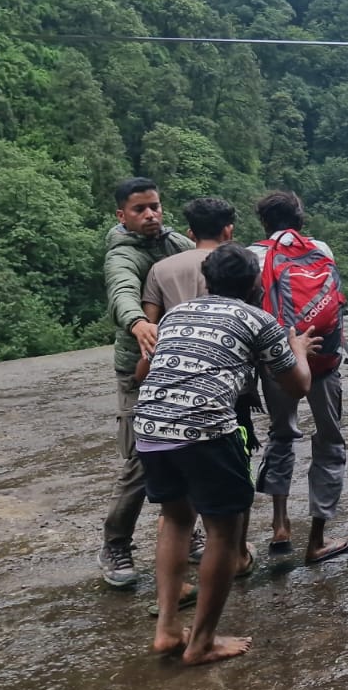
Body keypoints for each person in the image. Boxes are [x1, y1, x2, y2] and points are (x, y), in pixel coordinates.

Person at [134, 243, 318, 665]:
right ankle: (201, 642)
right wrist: (300, 350)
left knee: (177, 520)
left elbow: (141, 371)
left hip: (149, 426)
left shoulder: (177, 313)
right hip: (205, 431)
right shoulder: (260, 319)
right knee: (223, 532)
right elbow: (297, 386)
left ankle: (166, 629)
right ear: (256, 284)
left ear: (207, 281)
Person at [141, 196, 257, 579]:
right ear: (229, 230)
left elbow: (149, 336)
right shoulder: (243, 267)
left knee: (175, 514)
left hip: (163, 399)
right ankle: (236, 555)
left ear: (189, 232)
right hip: (223, 396)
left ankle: (170, 605)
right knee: (228, 497)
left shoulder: (161, 270)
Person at [98, 177, 194, 589]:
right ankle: (115, 543)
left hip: (181, 360)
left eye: (154, 206)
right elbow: (122, 291)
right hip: (139, 368)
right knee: (141, 459)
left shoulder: (174, 244)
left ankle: (187, 534)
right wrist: (137, 322)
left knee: (191, 445)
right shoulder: (121, 254)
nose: (150, 214)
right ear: (122, 216)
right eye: (139, 209)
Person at [248, 191, 348, 565]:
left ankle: (280, 526)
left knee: (281, 433)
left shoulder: (253, 254)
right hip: (324, 356)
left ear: (263, 222)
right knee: (329, 442)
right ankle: (317, 541)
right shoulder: (321, 248)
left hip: (279, 359)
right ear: (300, 219)